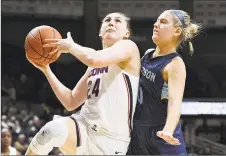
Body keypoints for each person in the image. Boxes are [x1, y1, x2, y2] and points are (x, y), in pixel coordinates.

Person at [25, 12, 140, 155]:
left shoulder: (129, 47)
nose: (111, 22)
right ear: (100, 32)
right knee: (50, 131)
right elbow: (71, 101)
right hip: (83, 126)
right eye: (107, 20)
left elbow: (93, 58)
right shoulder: (93, 66)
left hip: (112, 140)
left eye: (118, 21)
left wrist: (71, 46)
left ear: (126, 33)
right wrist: (46, 70)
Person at [127, 9, 201, 155]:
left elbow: (174, 104)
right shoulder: (147, 55)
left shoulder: (175, 64)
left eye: (163, 22)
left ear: (177, 31)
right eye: (157, 20)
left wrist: (168, 130)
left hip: (161, 138)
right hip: (138, 134)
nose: (156, 24)